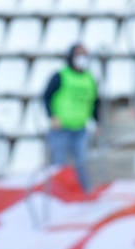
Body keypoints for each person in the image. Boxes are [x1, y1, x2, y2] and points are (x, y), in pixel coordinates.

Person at [42, 43, 100, 194]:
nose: (82, 59)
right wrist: (52, 116)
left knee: (82, 163)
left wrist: (97, 121)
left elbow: (94, 102)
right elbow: (46, 96)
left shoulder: (89, 78)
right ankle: (56, 194)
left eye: (84, 55)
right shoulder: (60, 76)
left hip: (80, 128)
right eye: (78, 55)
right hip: (61, 128)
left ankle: (84, 195)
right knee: (59, 164)